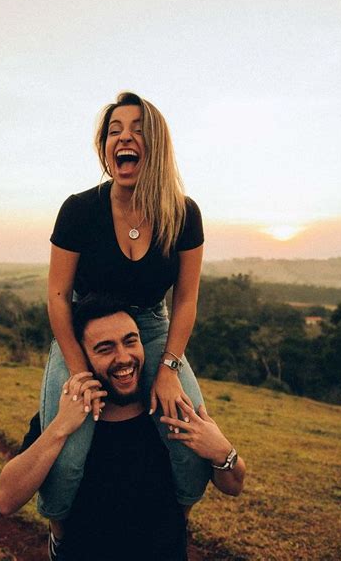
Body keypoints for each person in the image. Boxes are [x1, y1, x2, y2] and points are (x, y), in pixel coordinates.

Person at [40, 91, 211, 525]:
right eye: (114, 131)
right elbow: (58, 296)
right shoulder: (78, 210)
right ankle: (60, 534)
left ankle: (177, 527)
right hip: (86, 328)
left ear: (156, 146)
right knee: (69, 449)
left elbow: (186, 298)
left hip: (151, 327)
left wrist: (169, 368)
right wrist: (79, 370)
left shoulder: (184, 214)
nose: (124, 138)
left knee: (189, 437)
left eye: (137, 130)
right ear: (105, 148)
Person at [0, 295, 246, 561]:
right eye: (105, 349)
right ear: (82, 357)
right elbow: (7, 500)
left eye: (130, 341)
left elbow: (234, 486)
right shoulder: (66, 415)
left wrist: (223, 452)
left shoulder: (169, 410)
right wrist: (60, 428)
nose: (124, 358)